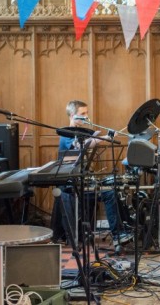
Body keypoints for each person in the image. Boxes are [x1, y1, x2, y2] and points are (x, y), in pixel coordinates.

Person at [51, 100, 132, 246]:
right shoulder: (66, 133)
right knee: (109, 193)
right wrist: (103, 138)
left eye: (86, 113)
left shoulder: (81, 133)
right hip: (71, 186)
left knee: (114, 189)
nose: (86, 116)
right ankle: (117, 235)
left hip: (82, 181)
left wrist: (102, 138)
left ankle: (122, 232)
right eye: (82, 114)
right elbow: (80, 145)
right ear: (72, 115)